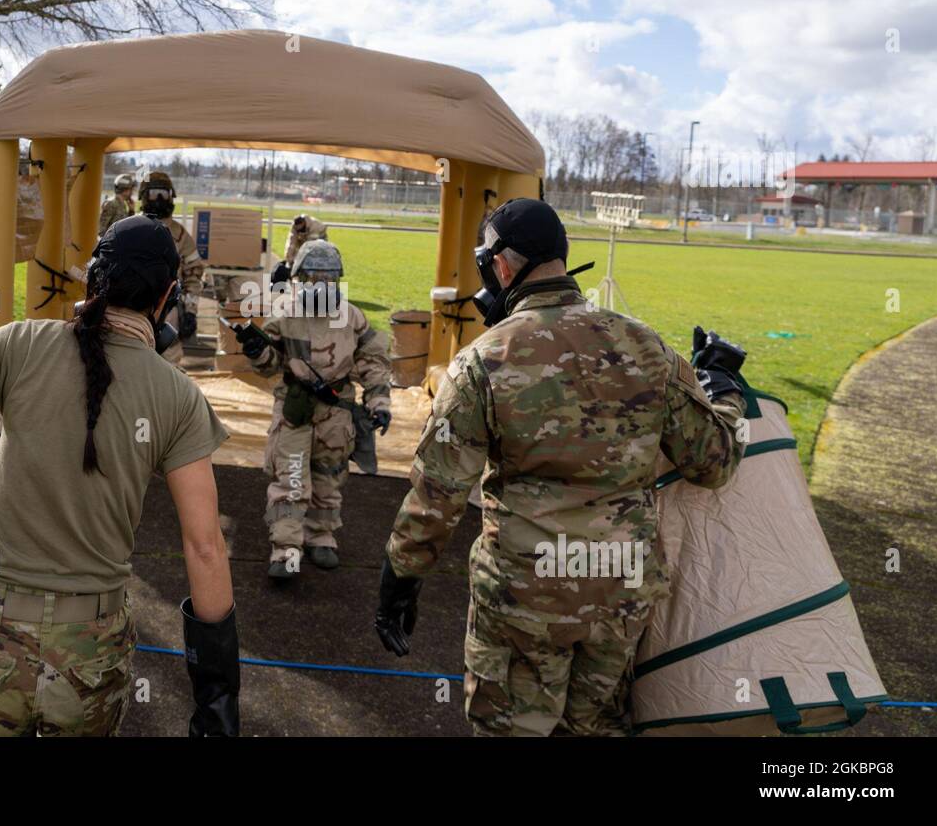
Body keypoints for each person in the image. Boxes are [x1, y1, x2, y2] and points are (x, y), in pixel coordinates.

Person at [373, 198, 747, 737]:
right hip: (619, 593)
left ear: (500, 266)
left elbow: (439, 494)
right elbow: (712, 462)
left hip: (527, 595)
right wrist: (724, 392)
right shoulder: (647, 346)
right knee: (596, 728)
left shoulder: (483, 360)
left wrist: (400, 578)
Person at [0, 215, 240, 737]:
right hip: (90, 650)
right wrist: (217, 693)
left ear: (94, 279)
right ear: (167, 296)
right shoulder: (178, 396)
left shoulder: (20, 344)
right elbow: (205, 546)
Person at [234, 239, 392, 580]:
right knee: (290, 477)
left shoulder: (352, 317)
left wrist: (379, 403)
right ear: (298, 279)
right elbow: (270, 364)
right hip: (295, 409)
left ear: (338, 280)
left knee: (329, 477)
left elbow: (373, 362)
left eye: (329, 278)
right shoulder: (285, 315)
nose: (321, 285)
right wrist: (256, 351)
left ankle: (322, 537)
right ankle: (286, 548)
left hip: (337, 413)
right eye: (312, 278)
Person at [139, 171, 203, 366]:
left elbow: (193, 276)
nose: (159, 200)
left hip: (168, 309)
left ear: (171, 196)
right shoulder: (130, 228)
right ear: (143, 197)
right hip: (133, 305)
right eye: (153, 194)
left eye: (163, 194)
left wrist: (190, 310)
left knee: (169, 362)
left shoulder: (181, 236)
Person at [271, 214, 328, 284]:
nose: (298, 230)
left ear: (303, 223)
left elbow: (310, 246)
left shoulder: (316, 226)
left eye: (299, 228)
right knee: (296, 256)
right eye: (297, 229)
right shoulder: (295, 226)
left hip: (318, 241)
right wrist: (289, 259)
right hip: (305, 237)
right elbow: (291, 242)